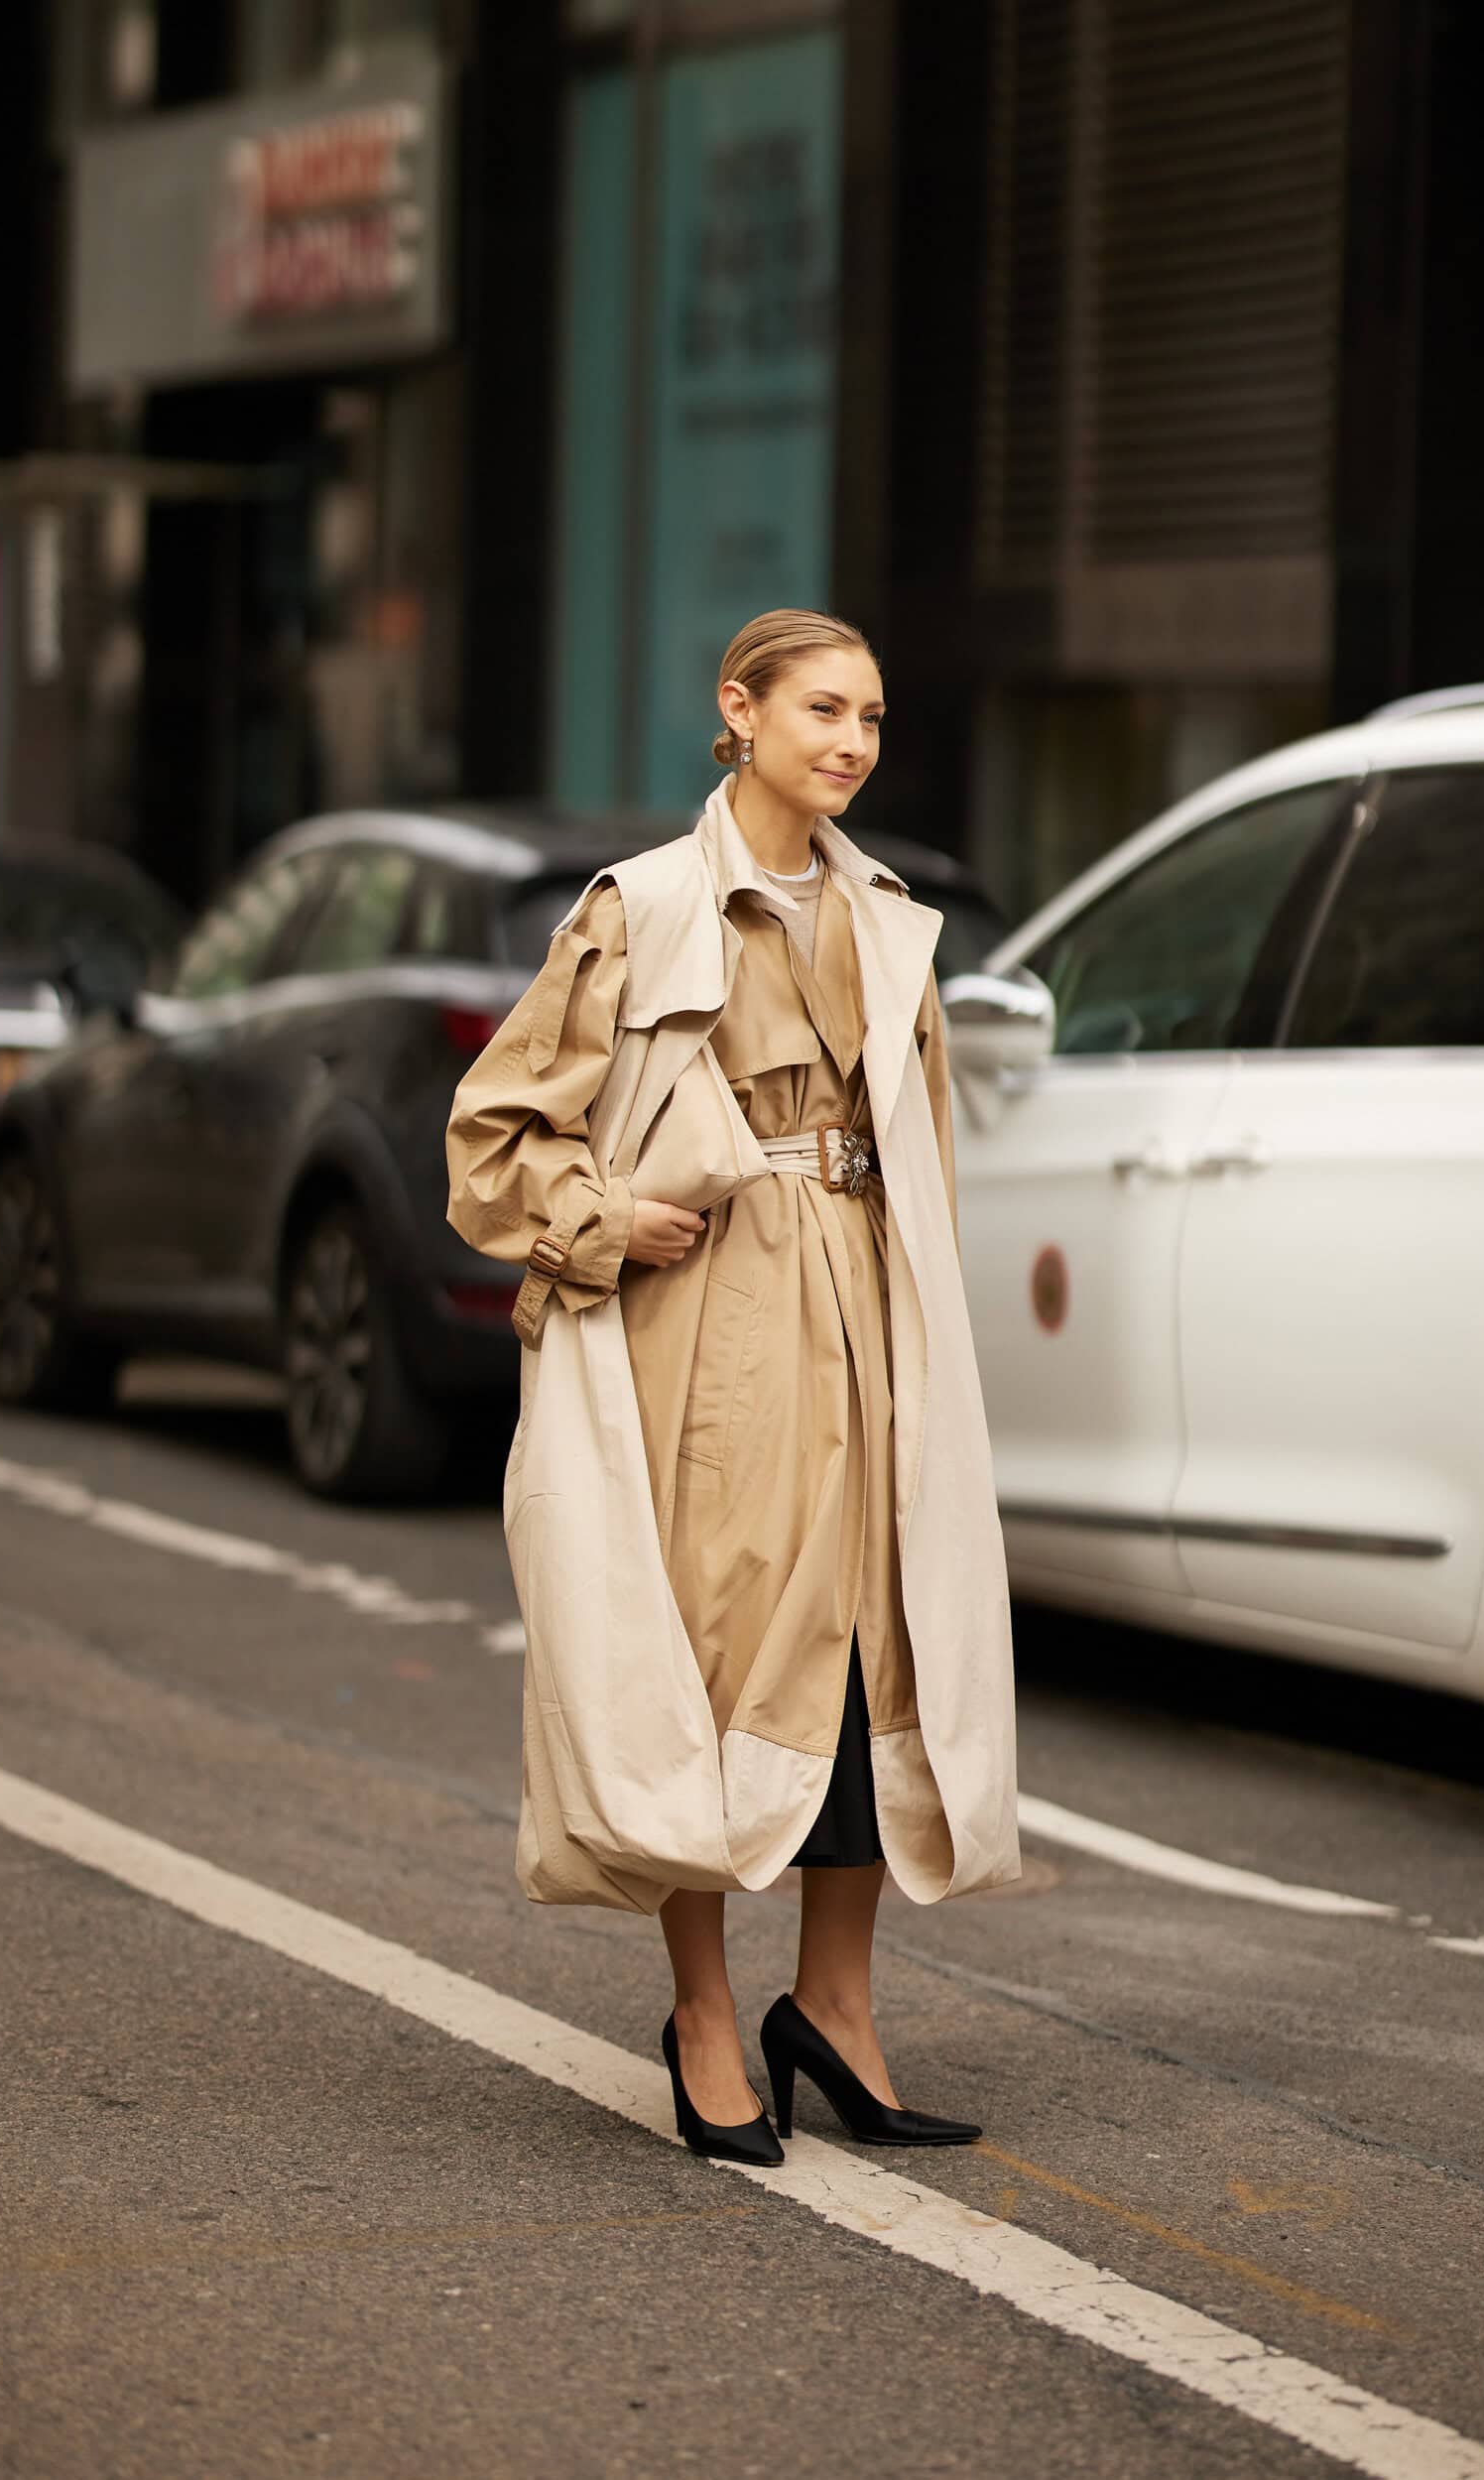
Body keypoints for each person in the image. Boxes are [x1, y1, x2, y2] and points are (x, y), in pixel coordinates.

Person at [445, 609, 1019, 2162]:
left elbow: (928, 1159)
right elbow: (496, 1132)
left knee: (872, 1648)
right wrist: (599, 1223)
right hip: (709, 1321)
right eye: (824, 709)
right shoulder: (644, 909)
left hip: (871, 1311)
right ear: (739, 712)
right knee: (704, 1654)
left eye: (875, 717)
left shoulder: (888, 917)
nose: (851, 741)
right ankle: (705, 2016)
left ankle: (833, 2006)